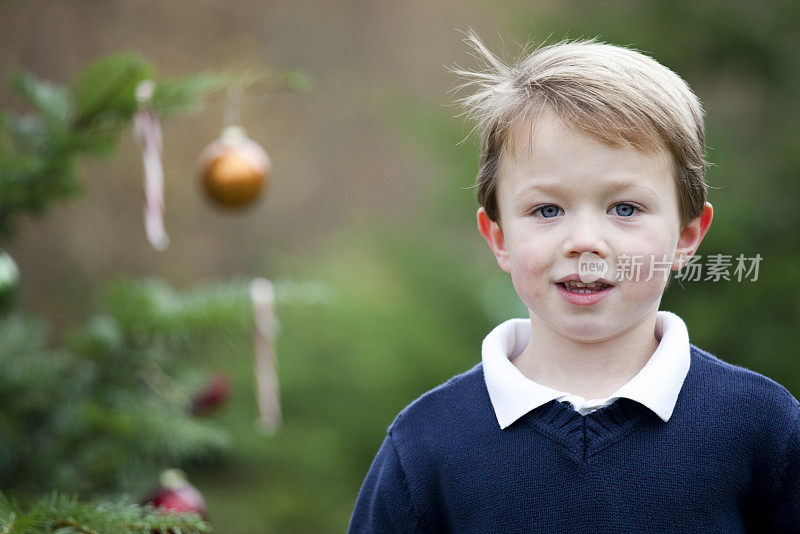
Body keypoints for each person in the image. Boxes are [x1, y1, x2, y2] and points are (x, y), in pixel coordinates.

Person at [347, 30, 800, 533]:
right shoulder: (425, 444)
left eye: (624, 208)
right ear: (498, 237)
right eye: (547, 210)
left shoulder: (765, 428)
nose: (584, 242)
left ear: (686, 236)